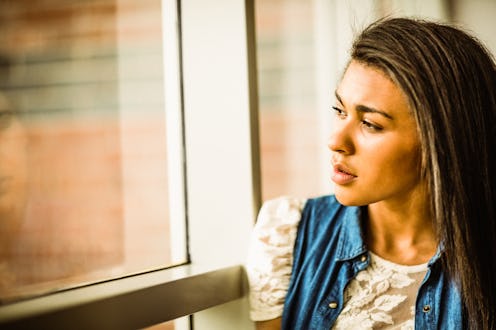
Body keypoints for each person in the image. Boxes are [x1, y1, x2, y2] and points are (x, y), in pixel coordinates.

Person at [246, 17, 496, 329]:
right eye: (340, 111)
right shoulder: (287, 234)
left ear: (442, 141)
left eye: (370, 124)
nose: (335, 141)